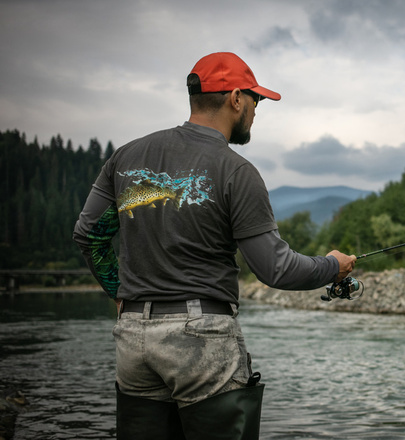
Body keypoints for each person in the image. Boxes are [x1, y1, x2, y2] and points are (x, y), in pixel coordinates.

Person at [73, 51, 356, 440]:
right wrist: (331, 265)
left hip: (134, 337)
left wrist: (119, 293)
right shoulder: (236, 170)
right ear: (236, 98)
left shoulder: (125, 157)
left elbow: (88, 235)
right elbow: (276, 269)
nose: (257, 110)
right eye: (256, 100)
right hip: (201, 339)